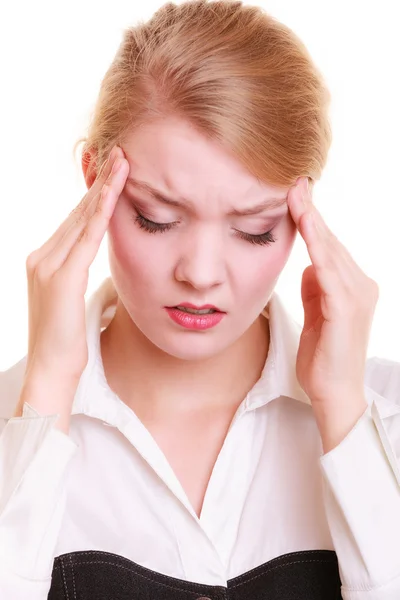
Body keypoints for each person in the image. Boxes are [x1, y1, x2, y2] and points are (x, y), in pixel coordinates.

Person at [1, 1, 399, 599]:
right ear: (95, 187)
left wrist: (344, 412)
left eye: (255, 229)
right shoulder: (15, 418)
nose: (201, 274)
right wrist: (48, 388)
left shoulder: (383, 416)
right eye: (157, 219)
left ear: (303, 213)